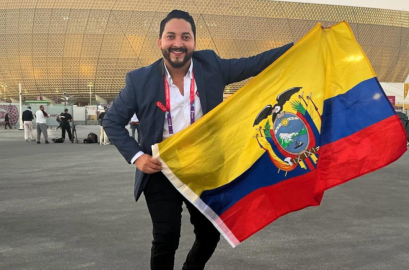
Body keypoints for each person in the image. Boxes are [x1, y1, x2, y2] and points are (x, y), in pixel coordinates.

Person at [103, 10, 292, 270]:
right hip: (161, 169)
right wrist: (138, 157)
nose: (178, 43)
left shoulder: (211, 65)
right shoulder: (139, 80)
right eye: (171, 36)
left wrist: (302, 46)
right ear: (160, 42)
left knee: (210, 235)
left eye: (185, 37)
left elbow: (255, 63)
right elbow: (111, 121)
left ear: (194, 42)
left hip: (203, 168)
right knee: (166, 238)